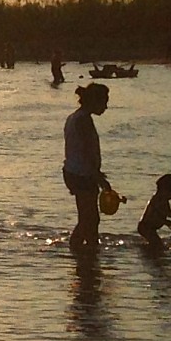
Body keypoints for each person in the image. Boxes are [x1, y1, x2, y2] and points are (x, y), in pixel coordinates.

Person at [63, 82, 114, 251]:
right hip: (82, 175)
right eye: (104, 102)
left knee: (89, 217)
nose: (106, 106)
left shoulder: (75, 117)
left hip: (74, 172)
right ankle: (76, 248)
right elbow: (87, 150)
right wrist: (98, 177)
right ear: (94, 101)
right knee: (89, 218)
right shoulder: (83, 120)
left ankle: (90, 251)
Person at [135, 173, 171, 249]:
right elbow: (155, 215)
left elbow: (169, 213)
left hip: (149, 227)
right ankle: (149, 251)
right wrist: (165, 221)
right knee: (157, 244)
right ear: (165, 190)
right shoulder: (157, 200)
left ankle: (147, 249)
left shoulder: (164, 200)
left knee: (156, 243)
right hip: (146, 227)